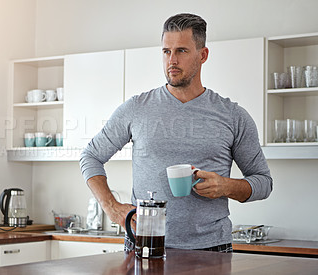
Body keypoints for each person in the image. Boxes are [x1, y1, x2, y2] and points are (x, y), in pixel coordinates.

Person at [79, 13, 273, 253]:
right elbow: (90, 156)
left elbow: (263, 182)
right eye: (166, 51)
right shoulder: (136, 108)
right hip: (145, 244)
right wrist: (111, 207)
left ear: (203, 55)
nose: (172, 60)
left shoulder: (233, 115)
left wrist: (226, 186)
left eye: (181, 51)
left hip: (212, 248)